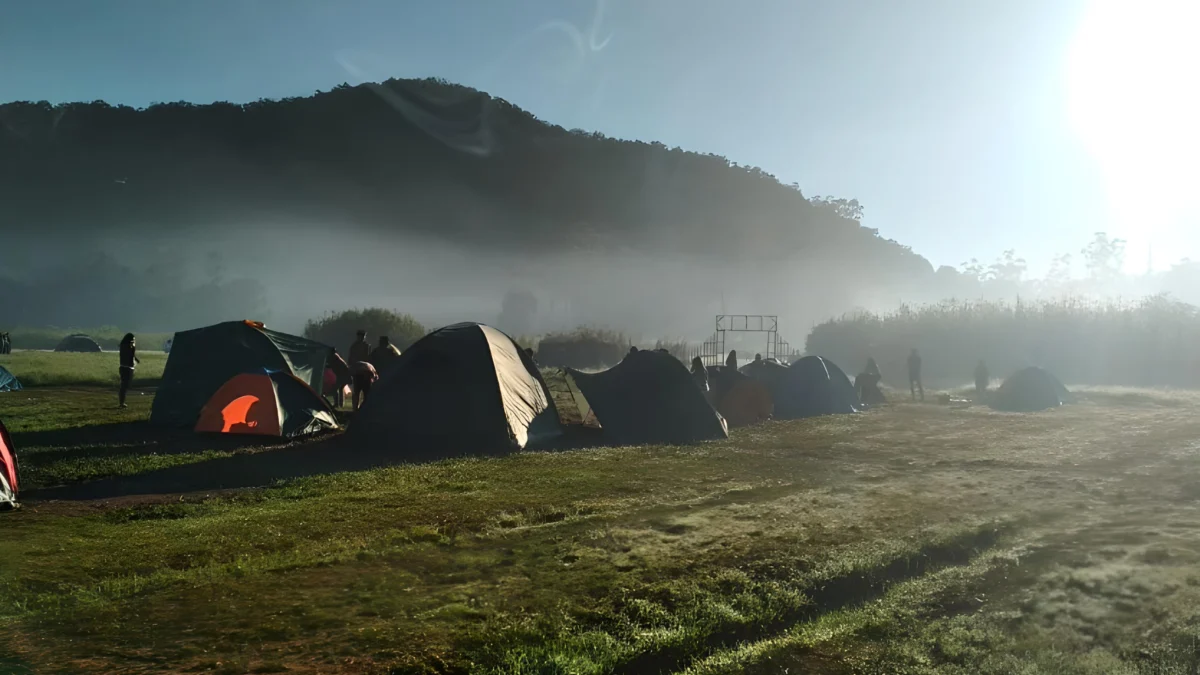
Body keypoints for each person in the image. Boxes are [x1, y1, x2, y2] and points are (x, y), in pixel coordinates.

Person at [118, 333, 139, 408]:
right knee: (124, 386)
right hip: (127, 367)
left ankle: (122, 402)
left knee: (125, 385)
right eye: (133, 339)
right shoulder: (128, 346)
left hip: (125, 367)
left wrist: (136, 359)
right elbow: (131, 354)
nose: (134, 341)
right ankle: (121, 402)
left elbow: (132, 355)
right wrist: (133, 346)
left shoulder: (123, 345)